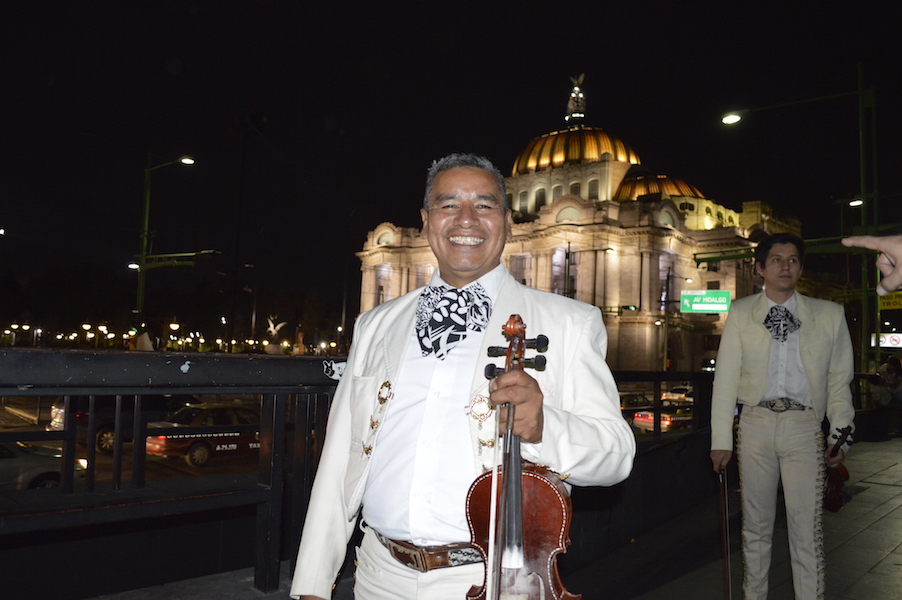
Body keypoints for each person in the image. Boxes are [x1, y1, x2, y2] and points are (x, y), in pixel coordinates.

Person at [290, 153, 636, 600]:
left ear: (507, 222)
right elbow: (340, 460)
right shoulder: (375, 325)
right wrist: (313, 583)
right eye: (449, 204)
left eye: (484, 205)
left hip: (493, 581)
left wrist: (545, 427)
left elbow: (617, 457)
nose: (466, 219)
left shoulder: (572, 322)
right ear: (426, 221)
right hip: (378, 575)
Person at [710, 233, 854, 600]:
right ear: (760, 268)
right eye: (776, 259)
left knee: (806, 529)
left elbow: (839, 382)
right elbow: (725, 379)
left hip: (803, 426)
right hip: (754, 424)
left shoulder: (829, 314)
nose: (785, 266)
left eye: (792, 260)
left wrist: (841, 436)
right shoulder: (741, 311)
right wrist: (721, 440)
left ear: (801, 268)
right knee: (755, 527)